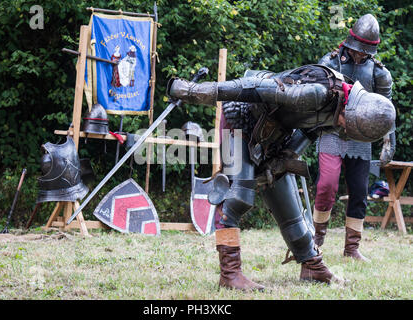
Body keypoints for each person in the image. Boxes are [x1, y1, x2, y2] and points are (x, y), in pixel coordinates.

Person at [167, 62, 395, 291]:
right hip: (240, 118)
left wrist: (286, 156)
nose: (345, 129)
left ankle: (312, 266)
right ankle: (230, 273)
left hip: (274, 133)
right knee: (237, 197)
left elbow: (310, 128)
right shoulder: (316, 92)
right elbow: (251, 87)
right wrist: (193, 91)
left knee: (289, 206)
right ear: (351, 110)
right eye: (348, 124)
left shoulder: (343, 104)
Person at [312, 14, 395, 262]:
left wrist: (389, 141)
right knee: (326, 185)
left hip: (362, 138)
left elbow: (385, 110)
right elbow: (316, 99)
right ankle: (315, 242)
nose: (361, 55)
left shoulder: (380, 74)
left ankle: (352, 248)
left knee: (359, 192)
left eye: (366, 51)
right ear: (350, 43)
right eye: (359, 50)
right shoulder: (330, 63)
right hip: (332, 132)